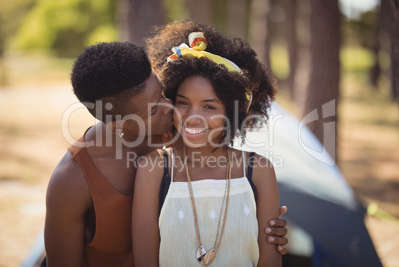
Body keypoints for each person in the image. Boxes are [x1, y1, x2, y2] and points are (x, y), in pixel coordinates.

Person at [44, 41, 287, 266]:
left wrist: (259, 224)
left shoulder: (182, 130)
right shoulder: (71, 181)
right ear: (117, 125)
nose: (169, 107)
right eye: (152, 110)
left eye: (162, 93)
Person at [132, 28, 281, 266]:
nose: (193, 117)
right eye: (183, 103)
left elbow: (270, 260)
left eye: (209, 107)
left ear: (232, 113)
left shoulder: (258, 170)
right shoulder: (154, 169)